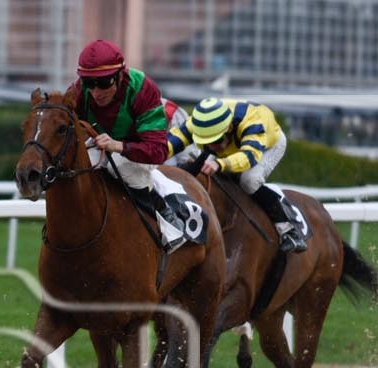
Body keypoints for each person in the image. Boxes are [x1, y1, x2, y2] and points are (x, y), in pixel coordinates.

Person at [70, 39, 186, 242]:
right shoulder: (79, 90)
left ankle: (165, 218)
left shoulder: (143, 89)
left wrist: (119, 146)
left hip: (138, 150)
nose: (96, 92)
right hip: (100, 144)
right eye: (89, 83)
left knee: (121, 167)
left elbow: (158, 151)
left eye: (104, 83)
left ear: (120, 75)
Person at [169, 96, 307, 254]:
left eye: (216, 140)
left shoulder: (253, 123)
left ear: (228, 128)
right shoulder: (197, 123)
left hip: (266, 144)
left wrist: (221, 164)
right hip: (233, 143)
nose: (212, 146)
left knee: (249, 180)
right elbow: (171, 141)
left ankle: (288, 230)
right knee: (197, 168)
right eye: (207, 142)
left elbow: (249, 157)